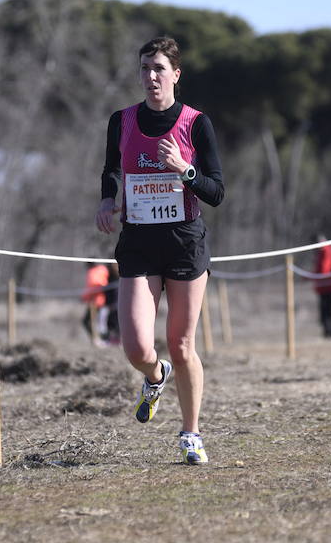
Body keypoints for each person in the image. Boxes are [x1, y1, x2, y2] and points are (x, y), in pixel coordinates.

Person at [95, 36, 225, 465]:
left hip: (184, 241)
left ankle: (191, 433)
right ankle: (156, 376)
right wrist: (106, 198)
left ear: (175, 75)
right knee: (135, 346)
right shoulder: (123, 120)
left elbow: (217, 191)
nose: (151, 77)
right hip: (138, 240)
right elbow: (112, 168)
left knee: (182, 344)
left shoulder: (195, 123)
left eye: (159, 69)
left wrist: (183, 170)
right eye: (145, 68)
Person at [312, 234, 331, 338]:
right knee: (324, 311)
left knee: (328, 311)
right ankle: (327, 332)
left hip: (329, 286)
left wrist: (315, 276)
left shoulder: (327, 251)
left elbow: (324, 269)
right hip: (323, 287)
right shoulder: (320, 252)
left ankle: (330, 333)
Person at [81, 262, 109, 347]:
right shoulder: (102, 270)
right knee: (99, 321)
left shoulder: (93, 273)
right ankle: (97, 339)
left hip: (95, 301)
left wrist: (84, 297)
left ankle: (97, 339)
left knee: (90, 321)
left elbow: (92, 287)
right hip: (100, 300)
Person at [103, 263, 120, 346]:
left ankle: (117, 339)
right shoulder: (109, 277)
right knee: (110, 322)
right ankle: (112, 339)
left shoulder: (118, 278)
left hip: (117, 304)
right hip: (111, 304)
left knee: (116, 323)